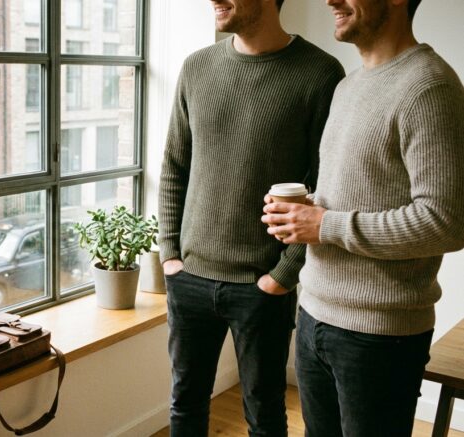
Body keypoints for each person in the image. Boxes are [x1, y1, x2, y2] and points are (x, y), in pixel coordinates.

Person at [261, 0, 464, 434]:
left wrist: (324, 225)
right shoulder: (349, 86)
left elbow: (446, 220)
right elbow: (360, 192)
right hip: (315, 315)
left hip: (379, 335)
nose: (331, 0)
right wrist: (306, 210)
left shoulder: (429, 85)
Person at [157, 0, 344, 435]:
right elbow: (173, 167)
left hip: (263, 286)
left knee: (264, 413)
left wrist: (283, 274)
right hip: (189, 279)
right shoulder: (196, 67)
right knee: (184, 406)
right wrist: (169, 254)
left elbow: (327, 190)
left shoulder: (320, 73)